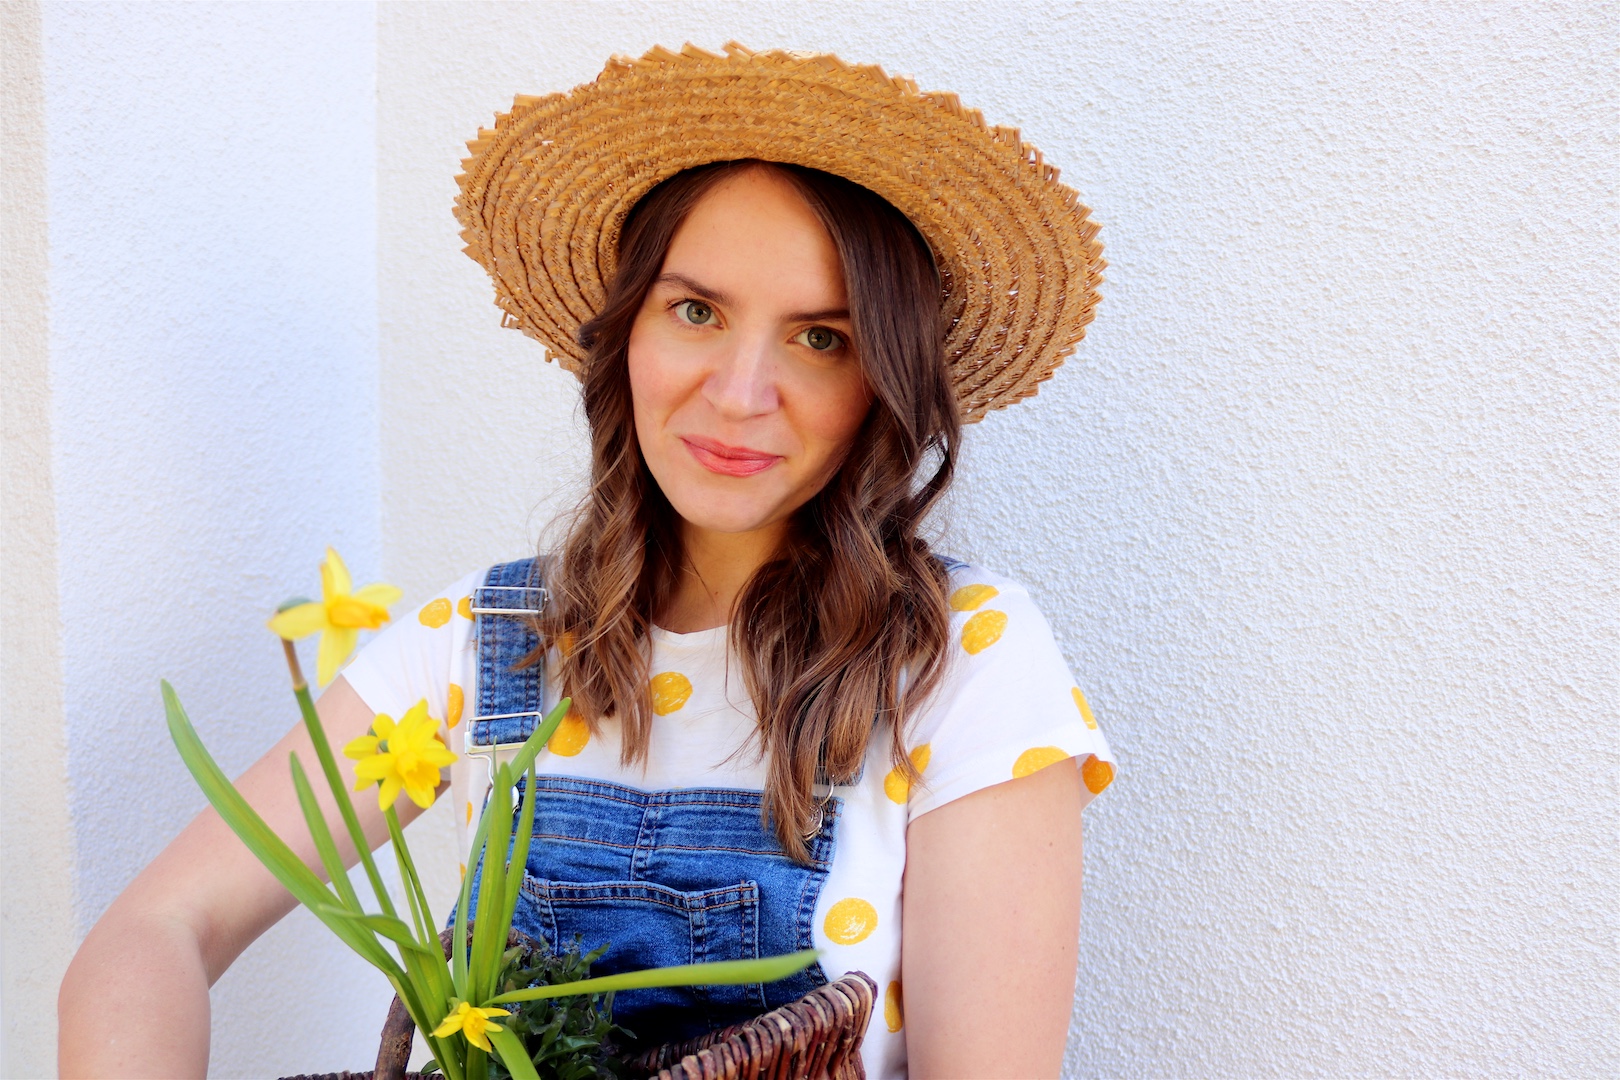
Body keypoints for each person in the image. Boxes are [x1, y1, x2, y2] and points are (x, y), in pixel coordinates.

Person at [59, 44, 1114, 1079]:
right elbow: (159, 925)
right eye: (695, 311)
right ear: (628, 336)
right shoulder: (489, 644)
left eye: (820, 337)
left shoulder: (958, 663)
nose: (741, 393)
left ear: (882, 381)